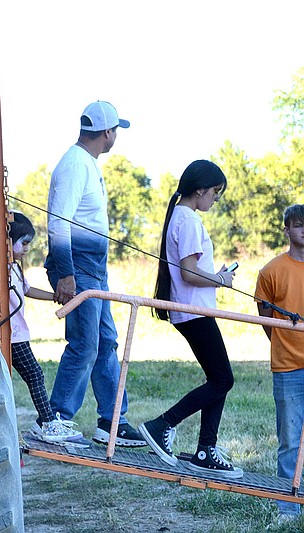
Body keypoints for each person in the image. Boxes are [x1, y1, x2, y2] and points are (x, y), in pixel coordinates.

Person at [44, 100, 145, 447]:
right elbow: (59, 223)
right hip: (80, 268)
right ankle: (56, 418)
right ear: (107, 133)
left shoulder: (87, 163)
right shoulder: (75, 164)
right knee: (85, 344)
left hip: (94, 268)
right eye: (116, 130)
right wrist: (66, 274)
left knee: (106, 343)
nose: (116, 136)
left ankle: (112, 421)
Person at [139, 159, 242, 479]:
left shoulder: (182, 217)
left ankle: (205, 450)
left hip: (193, 310)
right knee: (223, 379)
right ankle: (162, 425)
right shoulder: (188, 220)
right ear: (200, 189)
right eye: (215, 192)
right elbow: (189, 272)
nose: (215, 198)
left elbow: (190, 271)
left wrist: (215, 277)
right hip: (194, 311)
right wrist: (220, 280)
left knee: (218, 379)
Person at [9, 211, 86, 447]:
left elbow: (28, 290)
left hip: (18, 333)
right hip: (11, 335)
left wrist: (55, 296)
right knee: (35, 375)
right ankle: (47, 423)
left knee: (34, 375)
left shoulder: (14, 267)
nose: (26, 249)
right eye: (23, 243)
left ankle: (47, 421)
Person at [255, 204, 304, 519]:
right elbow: (265, 317)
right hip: (288, 366)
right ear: (286, 229)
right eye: (298, 225)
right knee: (290, 438)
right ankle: (287, 505)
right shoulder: (271, 271)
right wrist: (283, 345)